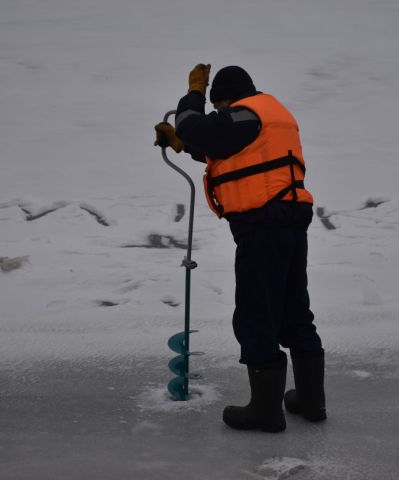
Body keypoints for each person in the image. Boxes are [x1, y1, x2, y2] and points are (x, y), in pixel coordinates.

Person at [154, 64, 326, 433]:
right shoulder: (270, 113)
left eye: (219, 107)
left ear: (227, 98)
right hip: (289, 218)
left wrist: (193, 96)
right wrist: (184, 146)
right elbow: (230, 149)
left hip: (264, 225)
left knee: (256, 314)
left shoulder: (246, 113)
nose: (219, 114)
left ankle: (265, 411)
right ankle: (312, 402)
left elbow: (195, 126)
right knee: (294, 309)